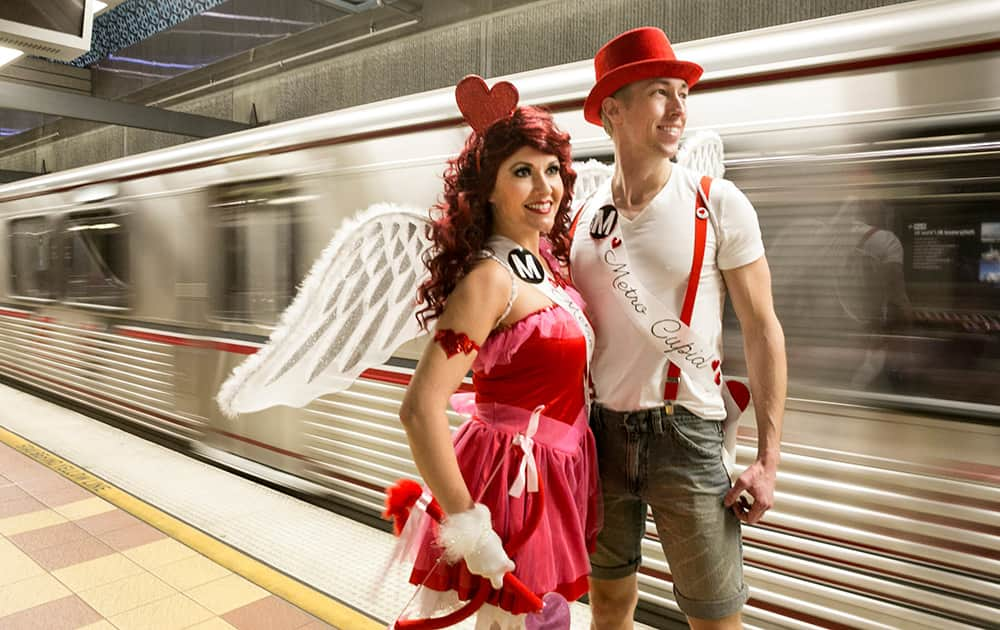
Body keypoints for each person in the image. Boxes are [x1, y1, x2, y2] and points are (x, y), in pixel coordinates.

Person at [569, 28, 787, 629]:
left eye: (682, 94)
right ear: (613, 110)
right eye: (660, 93)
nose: (678, 107)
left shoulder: (718, 202)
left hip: (687, 437)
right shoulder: (584, 221)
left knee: (714, 619)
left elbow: (765, 329)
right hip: (599, 438)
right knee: (608, 603)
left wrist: (768, 459)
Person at [395, 75, 599, 628]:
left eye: (552, 169)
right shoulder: (490, 280)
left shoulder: (549, 271)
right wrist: (468, 523)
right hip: (513, 491)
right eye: (522, 172)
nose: (545, 187)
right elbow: (419, 408)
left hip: (553, 481)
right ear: (487, 189)